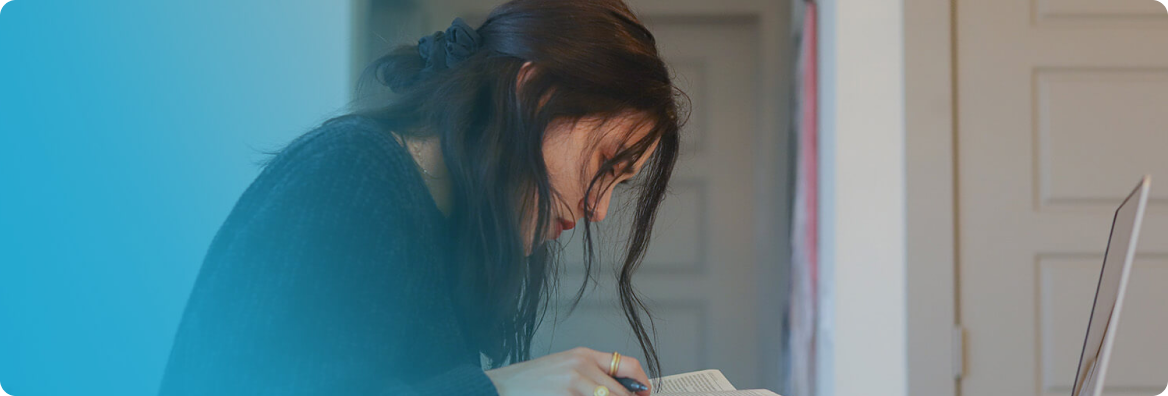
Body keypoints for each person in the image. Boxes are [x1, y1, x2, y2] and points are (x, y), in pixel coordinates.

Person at [156, 1, 686, 395]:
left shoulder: (447, 228)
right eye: (605, 165)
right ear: (535, 93)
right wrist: (498, 389)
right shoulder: (347, 173)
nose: (599, 210)